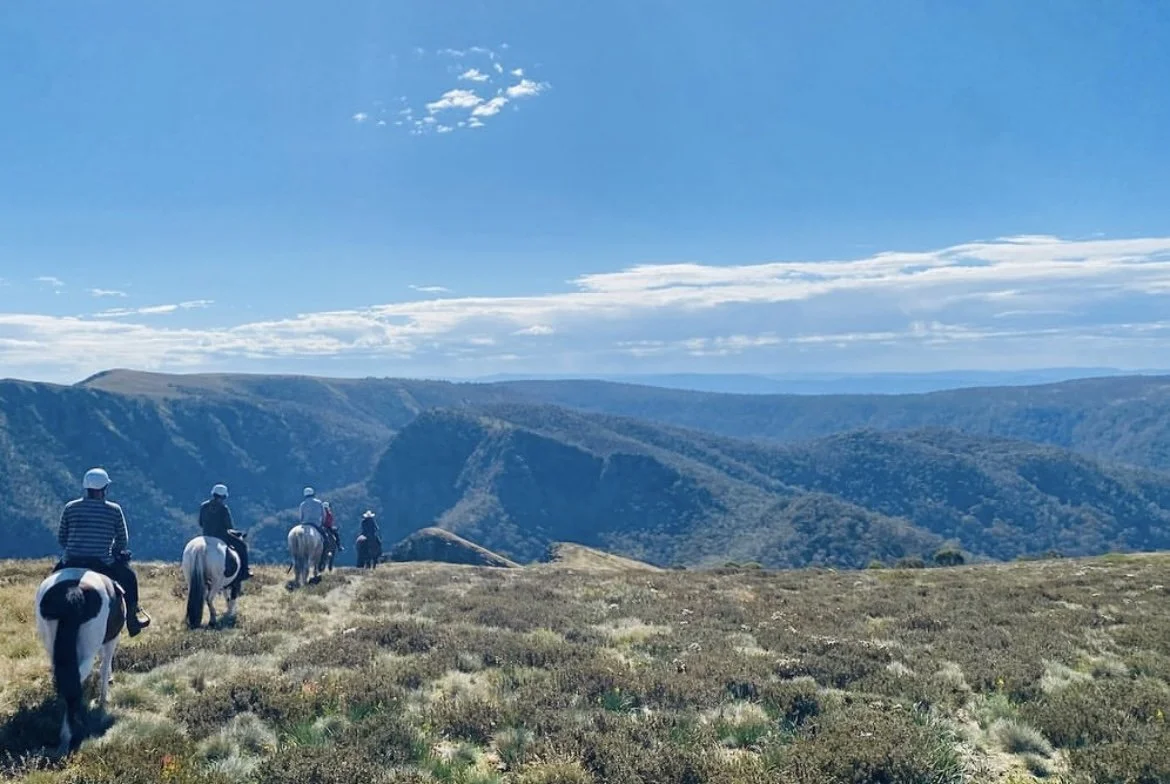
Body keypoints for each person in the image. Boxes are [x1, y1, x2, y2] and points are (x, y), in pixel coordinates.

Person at [53, 467, 151, 636]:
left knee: (49, 585)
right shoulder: (114, 510)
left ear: (86, 488)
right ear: (105, 489)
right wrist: (115, 551)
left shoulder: (70, 507)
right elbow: (122, 540)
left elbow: (62, 538)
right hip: (102, 562)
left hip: (71, 560)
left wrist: (74, 548)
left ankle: (45, 617)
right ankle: (133, 620)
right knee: (129, 578)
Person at [198, 483, 252, 586]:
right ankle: (245, 571)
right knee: (242, 546)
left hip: (206, 536)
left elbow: (200, 523)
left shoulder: (204, 506)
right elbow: (229, 526)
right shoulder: (224, 508)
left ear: (213, 494)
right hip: (221, 537)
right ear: (224, 497)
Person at [299, 487, 331, 569]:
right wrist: (322, 523)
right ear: (313, 494)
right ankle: (322, 562)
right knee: (326, 541)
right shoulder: (319, 503)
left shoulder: (302, 504)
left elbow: (300, 517)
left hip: (304, 525)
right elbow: (324, 515)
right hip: (316, 525)